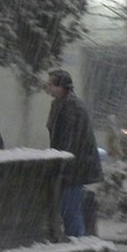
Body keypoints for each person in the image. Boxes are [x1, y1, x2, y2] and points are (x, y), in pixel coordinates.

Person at [45, 69, 103, 237]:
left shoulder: (71, 107)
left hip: (74, 167)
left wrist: (63, 163)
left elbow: (71, 140)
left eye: (51, 84)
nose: (48, 88)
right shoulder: (61, 104)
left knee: (70, 209)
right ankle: (76, 238)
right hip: (71, 166)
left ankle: (77, 240)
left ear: (62, 86)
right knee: (69, 209)